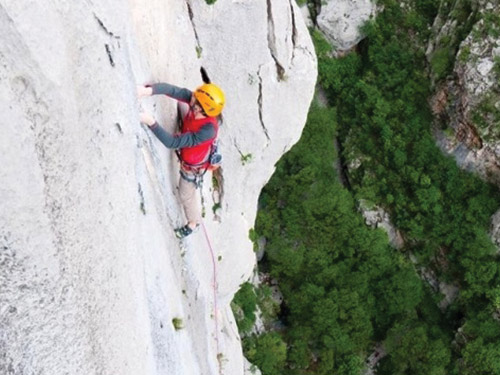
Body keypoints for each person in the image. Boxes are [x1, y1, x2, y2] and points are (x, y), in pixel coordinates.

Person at [137, 81, 225, 239]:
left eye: (195, 101)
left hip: (192, 166)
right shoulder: (198, 104)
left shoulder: (208, 131)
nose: (192, 98)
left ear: (201, 108)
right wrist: (147, 91)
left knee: (185, 194)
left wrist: (150, 122)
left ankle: (193, 223)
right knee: (181, 104)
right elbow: (173, 90)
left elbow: (172, 143)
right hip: (191, 129)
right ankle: (184, 126)